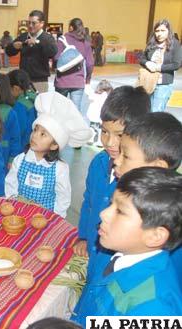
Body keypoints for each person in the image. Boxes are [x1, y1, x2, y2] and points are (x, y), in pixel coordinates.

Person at [72, 167, 182, 326]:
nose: (103, 214)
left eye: (120, 211)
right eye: (111, 204)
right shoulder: (123, 254)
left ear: (155, 236)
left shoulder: (153, 310)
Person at [73, 86, 150, 258]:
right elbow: (89, 203)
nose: (109, 142)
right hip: (92, 251)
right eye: (104, 132)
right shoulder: (98, 163)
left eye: (120, 135)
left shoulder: (142, 179)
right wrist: (84, 237)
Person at [113, 112, 182, 284]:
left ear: (158, 168)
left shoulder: (172, 222)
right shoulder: (122, 190)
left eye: (126, 156)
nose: (116, 160)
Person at [5, 92, 92, 217]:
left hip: (45, 219)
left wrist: (56, 218)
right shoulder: (20, 160)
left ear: (54, 145)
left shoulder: (59, 168)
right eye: (35, 130)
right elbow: (11, 184)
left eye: (43, 134)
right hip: (19, 214)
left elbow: (63, 197)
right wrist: (12, 204)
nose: (35, 136)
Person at [5, 10, 57, 93]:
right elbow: (8, 52)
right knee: (25, 105)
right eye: (28, 23)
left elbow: (53, 52)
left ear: (42, 23)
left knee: (40, 105)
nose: (30, 25)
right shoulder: (23, 36)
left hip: (40, 81)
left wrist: (38, 42)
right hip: (24, 82)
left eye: (34, 23)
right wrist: (13, 47)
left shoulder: (47, 38)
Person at [140, 19, 182, 112]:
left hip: (163, 85)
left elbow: (177, 64)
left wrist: (159, 67)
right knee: (146, 110)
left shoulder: (175, 44)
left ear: (168, 31)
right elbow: (142, 58)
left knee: (156, 112)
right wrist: (147, 63)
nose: (159, 33)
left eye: (163, 31)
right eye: (157, 31)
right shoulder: (152, 43)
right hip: (148, 82)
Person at [54, 18, 94, 112]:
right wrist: (87, 79)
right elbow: (90, 64)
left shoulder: (62, 39)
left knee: (59, 110)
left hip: (62, 81)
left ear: (71, 27)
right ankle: (74, 126)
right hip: (78, 81)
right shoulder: (86, 43)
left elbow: (56, 58)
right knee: (75, 111)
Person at [8, 69, 37, 150]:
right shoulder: (33, 96)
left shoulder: (20, 105)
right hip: (33, 143)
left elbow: (18, 130)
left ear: (15, 88)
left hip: (23, 146)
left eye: (8, 88)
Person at [85, 79, 113, 146]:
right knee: (100, 129)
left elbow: (89, 96)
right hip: (100, 115)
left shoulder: (94, 94)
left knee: (92, 127)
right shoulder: (106, 96)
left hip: (92, 114)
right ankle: (99, 142)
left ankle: (91, 139)